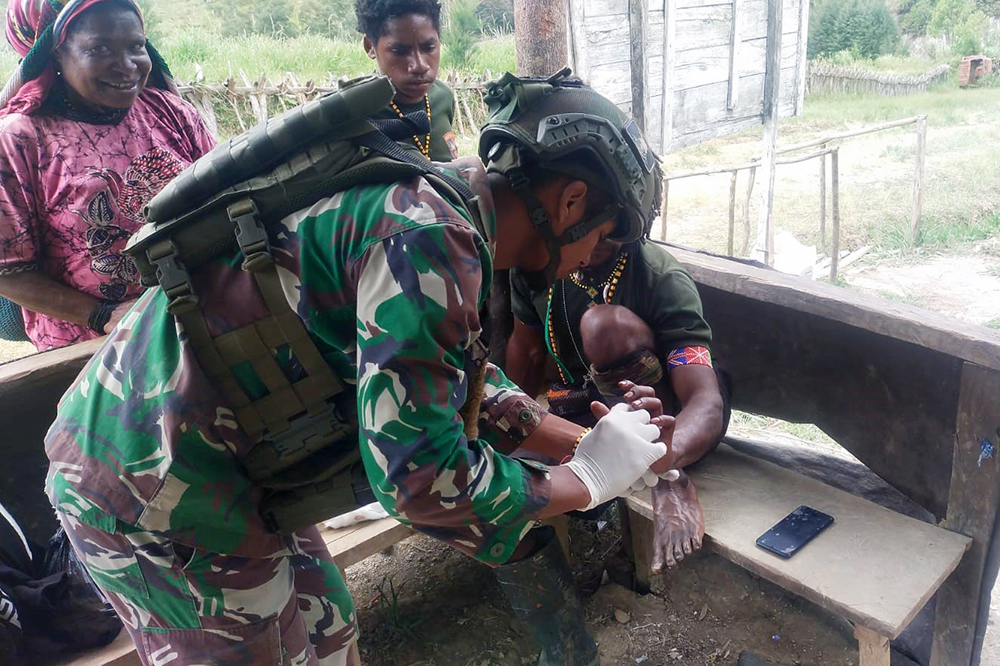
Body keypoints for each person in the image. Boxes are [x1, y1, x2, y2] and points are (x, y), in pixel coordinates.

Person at [45, 71, 672, 666]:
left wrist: (582, 441)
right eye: (608, 240)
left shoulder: (438, 202)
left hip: (219, 463)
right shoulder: (427, 237)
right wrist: (587, 479)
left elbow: (442, 374)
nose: (594, 261)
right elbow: (422, 482)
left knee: (326, 629)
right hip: (145, 486)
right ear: (571, 202)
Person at [506, 236, 732, 573]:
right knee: (510, 481)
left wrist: (664, 458)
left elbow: (705, 400)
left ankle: (669, 478)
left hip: (665, 419)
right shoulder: (537, 267)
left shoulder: (659, 276)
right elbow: (527, 351)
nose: (594, 238)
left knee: (603, 327)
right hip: (590, 409)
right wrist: (507, 430)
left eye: (606, 226)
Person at [0, 0, 215, 351]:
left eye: (136, 46)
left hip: (203, 311)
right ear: (56, 54)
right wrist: (105, 315)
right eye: (100, 48)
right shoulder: (19, 138)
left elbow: (226, 192)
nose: (128, 66)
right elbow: (8, 273)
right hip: (100, 347)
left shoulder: (169, 110)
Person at [357, 0, 459, 161]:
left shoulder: (443, 97)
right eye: (400, 51)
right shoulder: (355, 112)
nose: (419, 66)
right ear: (370, 46)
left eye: (429, 48)